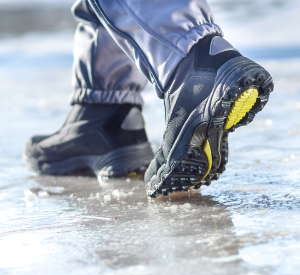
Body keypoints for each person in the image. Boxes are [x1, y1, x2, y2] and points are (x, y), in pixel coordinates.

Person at [24, 0, 274, 198]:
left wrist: (185, 44)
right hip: (105, 104)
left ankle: (192, 66)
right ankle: (103, 112)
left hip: (188, 55)